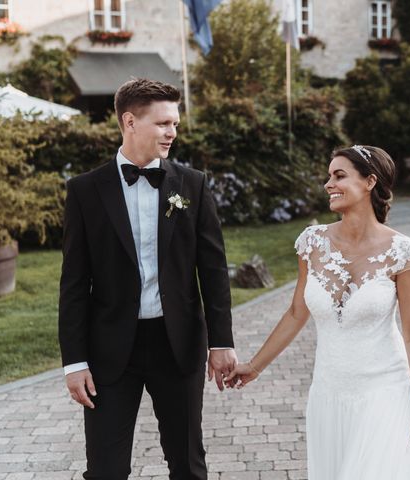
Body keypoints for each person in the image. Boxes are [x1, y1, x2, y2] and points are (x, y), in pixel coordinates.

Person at [226, 145, 410, 478]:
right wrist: (255, 366)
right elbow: (295, 313)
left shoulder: (402, 252)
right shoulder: (311, 243)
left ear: (370, 182)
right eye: (329, 176)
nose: (328, 184)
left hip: (386, 393)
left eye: (339, 176)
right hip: (328, 395)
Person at [58, 78, 237, 480]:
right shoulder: (85, 191)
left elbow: (213, 270)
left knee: (188, 465)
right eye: (162, 123)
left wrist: (221, 342)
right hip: (109, 352)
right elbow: (73, 284)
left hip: (178, 345)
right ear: (130, 121)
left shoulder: (193, 184)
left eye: (174, 123)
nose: (172, 132)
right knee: (105, 470)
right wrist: (74, 362)